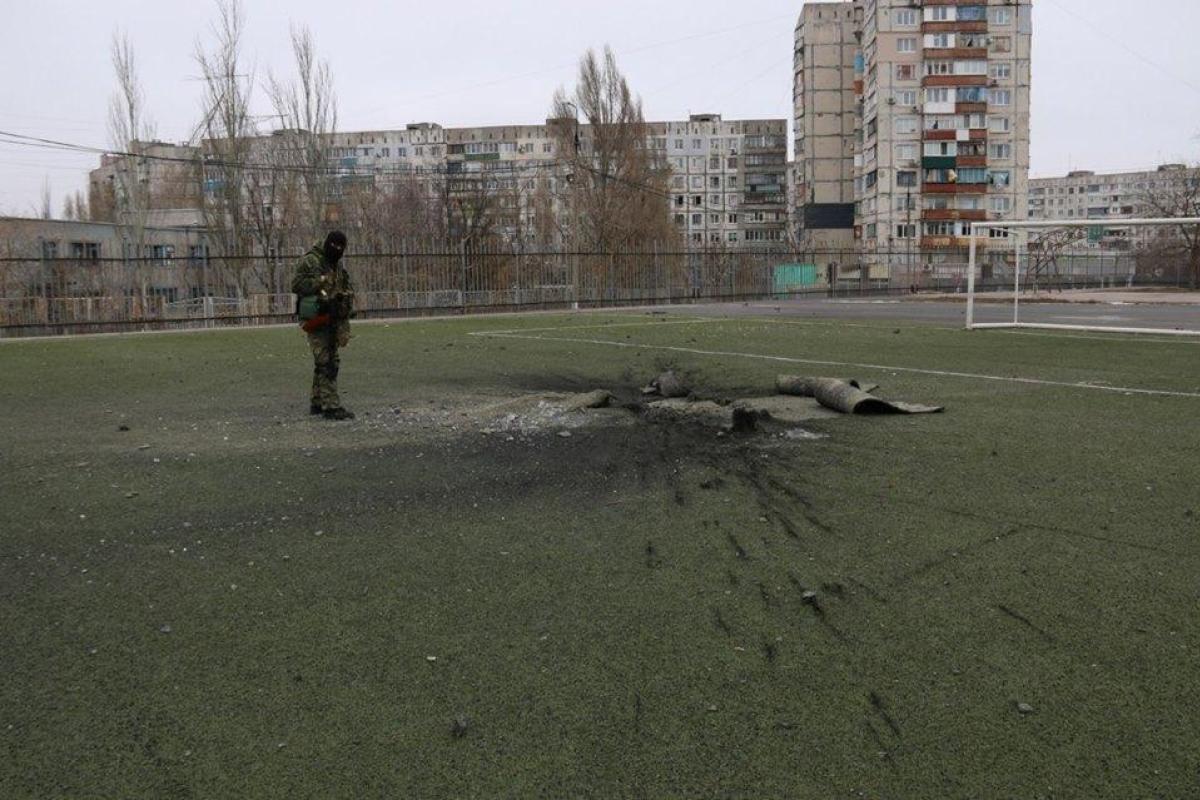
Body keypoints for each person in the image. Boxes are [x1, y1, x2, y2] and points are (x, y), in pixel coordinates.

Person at [292, 231, 356, 420]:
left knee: (325, 360)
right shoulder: (311, 261)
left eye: (341, 247)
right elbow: (296, 285)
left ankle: (318, 401)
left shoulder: (336, 264)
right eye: (334, 246)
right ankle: (331, 406)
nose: (337, 250)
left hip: (333, 317)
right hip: (316, 317)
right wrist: (320, 282)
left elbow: (342, 285)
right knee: (327, 362)